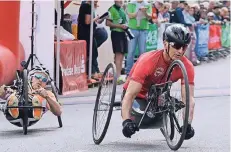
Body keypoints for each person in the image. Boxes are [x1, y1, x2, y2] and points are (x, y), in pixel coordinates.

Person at [121, 24, 195, 140]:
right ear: (165, 44)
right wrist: (126, 121)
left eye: (184, 47)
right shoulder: (148, 60)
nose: (180, 51)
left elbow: (188, 98)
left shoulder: (187, 66)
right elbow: (130, 95)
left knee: (166, 110)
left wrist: (188, 124)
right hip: (138, 96)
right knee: (146, 120)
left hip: (157, 95)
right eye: (176, 46)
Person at [106, 0, 128, 85]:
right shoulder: (111, 9)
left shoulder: (122, 9)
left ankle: (118, 75)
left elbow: (123, 21)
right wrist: (119, 26)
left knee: (122, 54)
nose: (121, 1)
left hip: (123, 33)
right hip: (116, 33)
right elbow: (108, 23)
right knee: (118, 54)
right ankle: (117, 76)